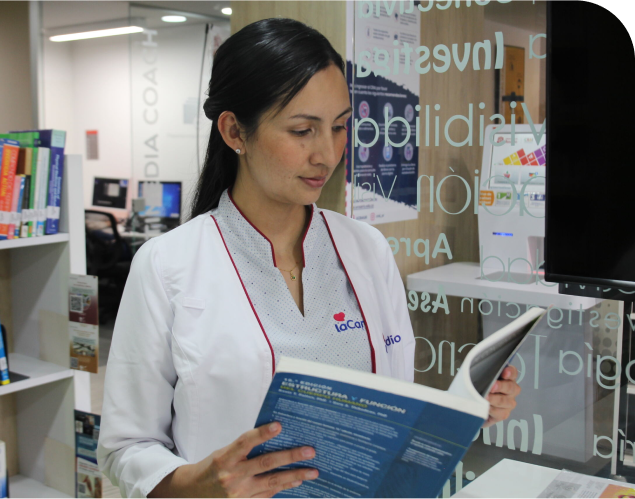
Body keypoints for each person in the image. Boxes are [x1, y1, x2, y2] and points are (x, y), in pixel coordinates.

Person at [96, 17, 521, 499]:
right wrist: (201, 485)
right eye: (303, 130)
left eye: (340, 127)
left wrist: (458, 415)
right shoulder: (167, 265)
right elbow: (124, 448)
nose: (327, 153)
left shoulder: (366, 249)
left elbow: (388, 412)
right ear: (235, 130)